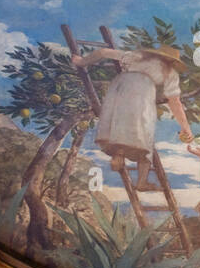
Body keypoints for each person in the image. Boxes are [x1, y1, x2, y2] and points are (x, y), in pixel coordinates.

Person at [73, 45, 193, 190]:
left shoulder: (136, 57)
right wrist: (186, 127)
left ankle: (118, 155)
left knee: (118, 124)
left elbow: (103, 52)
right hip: (142, 93)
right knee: (144, 134)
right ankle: (141, 181)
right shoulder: (170, 73)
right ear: (172, 61)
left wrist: (81, 62)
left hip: (120, 88)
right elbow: (175, 102)